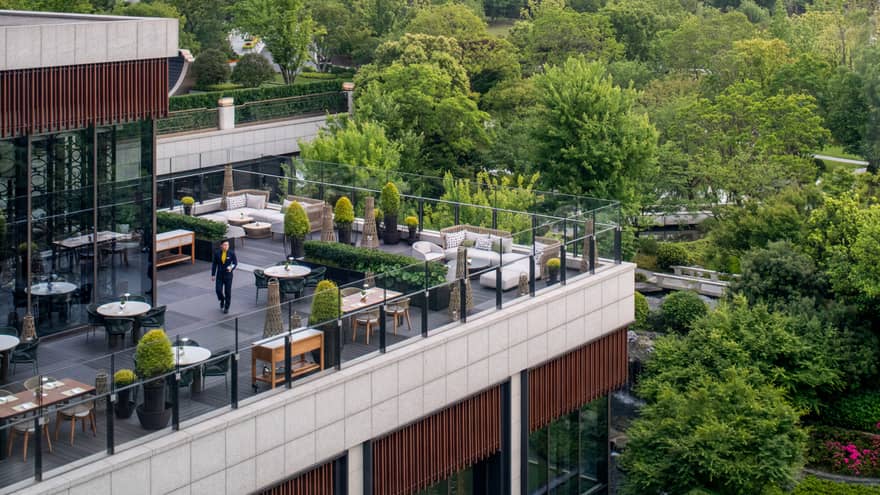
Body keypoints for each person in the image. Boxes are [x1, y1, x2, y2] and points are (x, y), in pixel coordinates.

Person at [211, 240, 237, 313]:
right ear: (221, 246)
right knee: (218, 290)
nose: (226, 246)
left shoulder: (231, 253)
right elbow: (214, 264)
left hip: (228, 275)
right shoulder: (217, 253)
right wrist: (213, 274)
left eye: (227, 245)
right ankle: (222, 299)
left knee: (227, 292)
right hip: (220, 275)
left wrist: (231, 267)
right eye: (225, 245)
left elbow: (235, 263)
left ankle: (226, 307)